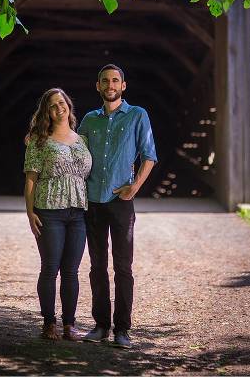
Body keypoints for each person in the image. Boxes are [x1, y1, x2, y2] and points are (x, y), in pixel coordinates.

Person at [78, 64, 157, 348]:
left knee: (123, 267)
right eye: (105, 81)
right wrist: (37, 139)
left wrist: (134, 187)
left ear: (123, 85)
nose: (110, 85)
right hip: (92, 201)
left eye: (115, 80)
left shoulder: (138, 115)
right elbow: (72, 151)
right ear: (97, 86)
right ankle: (100, 325)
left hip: (121, 202)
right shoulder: (89, 119)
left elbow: (149, 155)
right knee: (97, 266)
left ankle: (122, 329)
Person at [24, 88, 92, 340]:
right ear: (47, 112)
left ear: (68, 106)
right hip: (49, 211)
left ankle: (69, 324)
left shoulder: (82, 140)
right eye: (52, 105)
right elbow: (30, 179)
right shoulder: (39, 140)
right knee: (50, 268)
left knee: (72, 271)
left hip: (78, 213)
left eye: (61, 103)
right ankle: (49, 323)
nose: (59, 108)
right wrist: (30, 213)